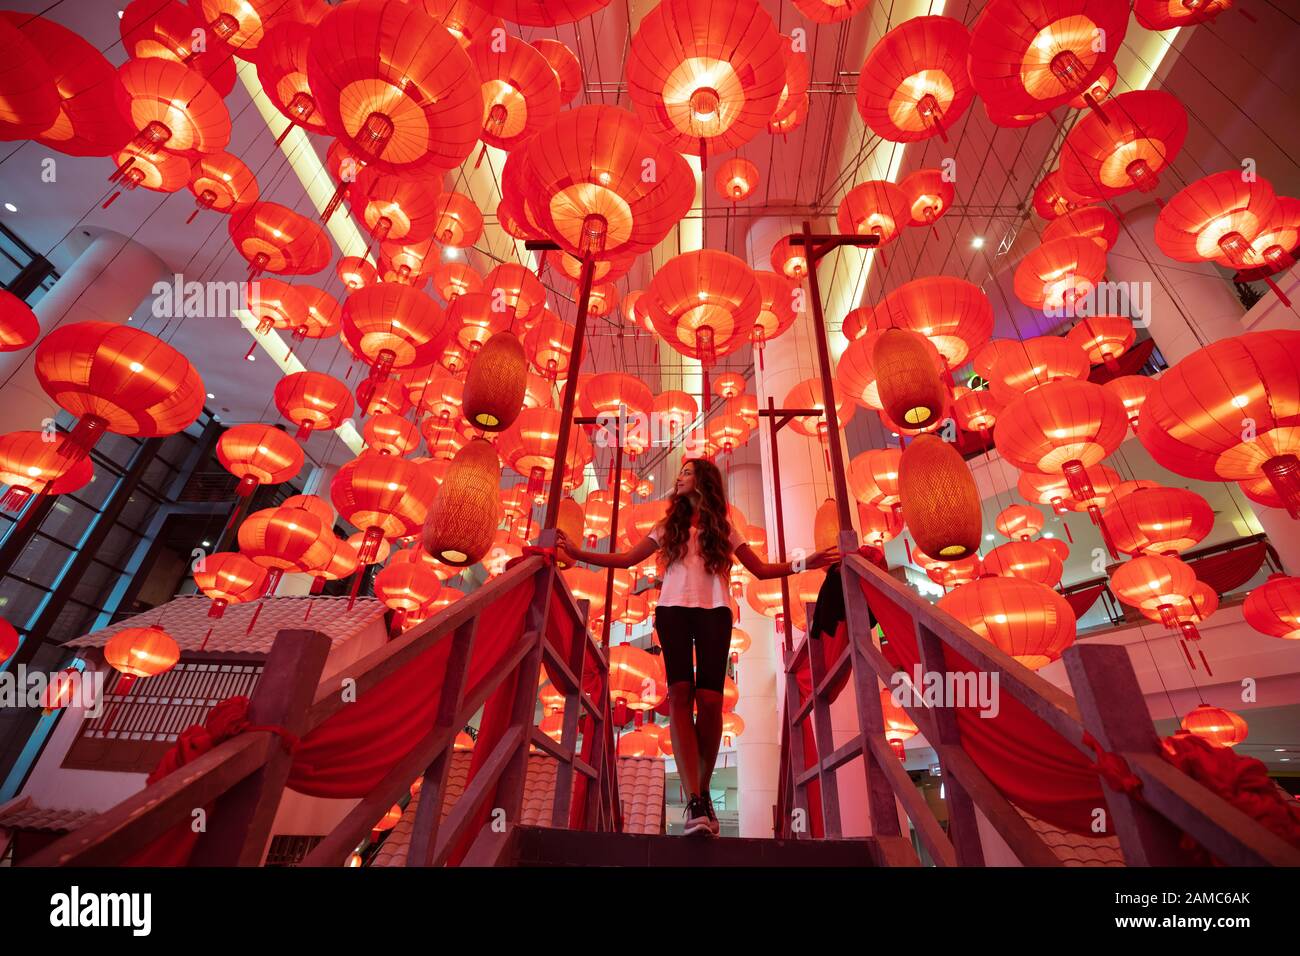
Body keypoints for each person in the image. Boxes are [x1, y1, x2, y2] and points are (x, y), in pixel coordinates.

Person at [555, 457, 838, 837]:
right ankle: (695, 800)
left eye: (687, 472)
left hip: (715, 613)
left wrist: (810, 561)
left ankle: (702, 793)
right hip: (672, 612)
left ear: (703, 481)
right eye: (681, 473)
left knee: (709, 701)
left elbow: (763, 570)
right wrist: (577, 554)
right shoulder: (665, 527)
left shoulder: (724, 529)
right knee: (677, 697)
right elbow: (624, 561)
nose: (680, 477)